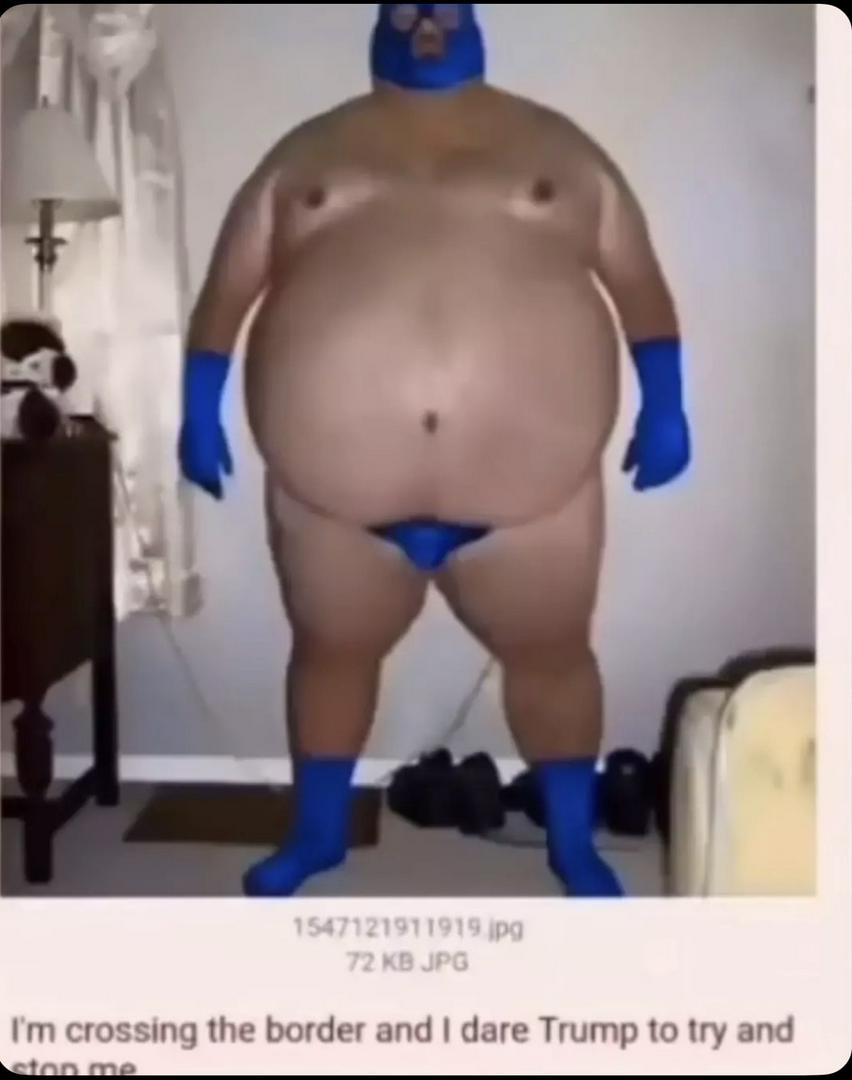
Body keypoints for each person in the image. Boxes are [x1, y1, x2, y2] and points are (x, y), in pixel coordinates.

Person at [179, 3, 692, 898]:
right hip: (332, 502)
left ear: (477, 21)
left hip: (533, 500)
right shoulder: (306, 152)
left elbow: (640, 284)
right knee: (329, 656)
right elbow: (227, 292)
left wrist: (669, 406)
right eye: (408, 9)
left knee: (555, 660)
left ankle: (574, 846)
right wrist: (197, 409)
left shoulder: (559, 145)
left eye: (445, 8)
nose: (427, 26)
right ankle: (318, 835)